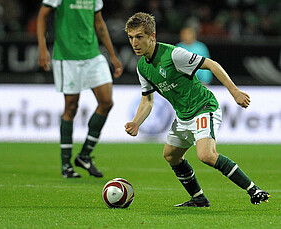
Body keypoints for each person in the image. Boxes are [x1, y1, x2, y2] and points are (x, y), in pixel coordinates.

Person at [124, 12, 270, 207]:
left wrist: (235, 92)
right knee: (170, 155)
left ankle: (254, 190)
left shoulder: (173, 54)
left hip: (203, 107)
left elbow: (212, 65)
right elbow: (147, 101)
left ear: (152, 36)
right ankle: (199, 198)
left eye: (139, 37)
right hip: (183, 115)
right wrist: (136, 122)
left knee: (206, 155)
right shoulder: (142, 67)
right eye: (131, 38)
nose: (134, 43)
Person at [37, 0, 123, 178]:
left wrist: (112, 55)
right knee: (71, 107)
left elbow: (99, 22)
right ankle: (66, 165)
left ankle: (84, 155)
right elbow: (41, 16)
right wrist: (43, 48)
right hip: (67, 57)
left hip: (92, 55)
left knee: (106, 102)